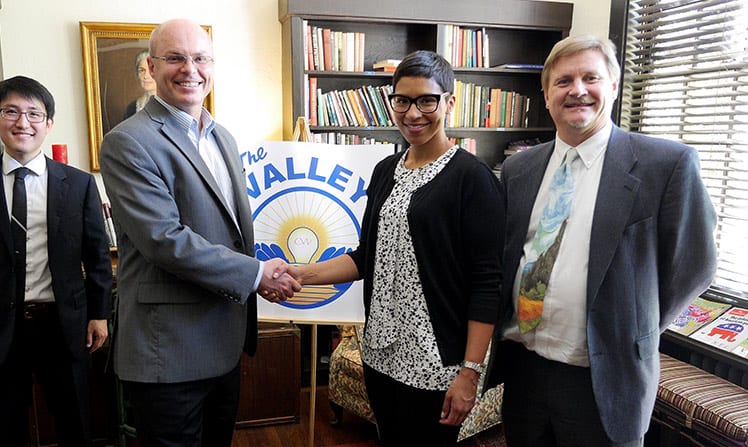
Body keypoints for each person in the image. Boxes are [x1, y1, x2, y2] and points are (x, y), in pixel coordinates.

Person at [489, 35, 717, 446]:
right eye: (563, 81)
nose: (577, 90)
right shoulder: (519, 169)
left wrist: (633, 327)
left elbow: (694, 267)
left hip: (604, 380)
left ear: (613, 86)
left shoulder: (665, 165)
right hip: (524, 373)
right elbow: (510, 257)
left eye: (590, 77)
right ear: (546, 95)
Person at [287, 50, 505, 447]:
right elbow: (364, 257)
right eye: (402, 100)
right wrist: (300, 275)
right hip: (380, 355)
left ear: (449, 102)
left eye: (427, 100)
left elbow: (487, 283)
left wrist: (470, 373)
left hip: (438, 362)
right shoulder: (385, 170)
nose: (413, 113)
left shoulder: (472, 179)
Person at [99, 19, 300, 446]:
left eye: (200, 58)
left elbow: (229, 231)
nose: (189, 68)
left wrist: (258, 272)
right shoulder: (128, 141)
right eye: (175, 58)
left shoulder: (222, 136)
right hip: (168, 352)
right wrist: (256, 274)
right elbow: (164, 239)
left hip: (223, 342)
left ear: (212, 66)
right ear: (151, 68)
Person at [0, 75, 113, 446]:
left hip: (63, 324)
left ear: (49, 123)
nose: (23, 123)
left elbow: (97, 258)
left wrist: (99, 314)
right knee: (5, 426)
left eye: (34, 114)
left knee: (75, 421)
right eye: (12, 112)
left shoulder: (79, 183)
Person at [122, 49, 156, 120]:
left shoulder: (173, 106)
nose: (146, 76)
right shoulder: (132, 109)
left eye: (151, 70)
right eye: (142, 70)